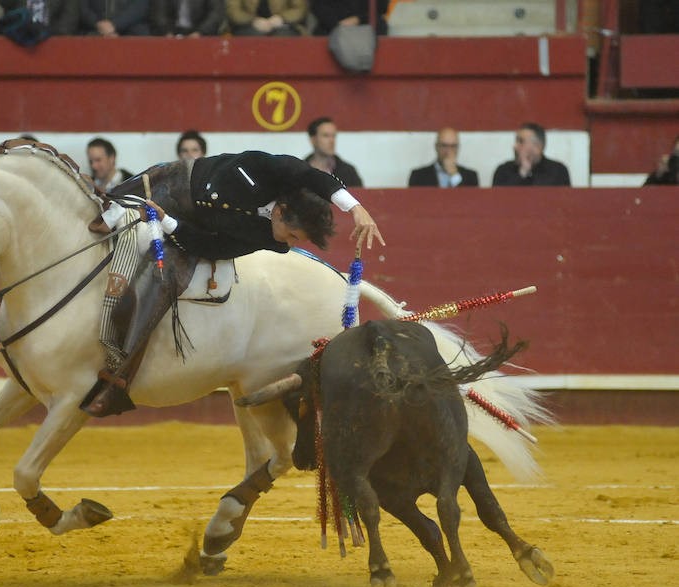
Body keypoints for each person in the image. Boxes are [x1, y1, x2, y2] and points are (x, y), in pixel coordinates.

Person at [81, 150, 384, 417]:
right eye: (292, 236)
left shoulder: (270, 237)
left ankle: (117, 375)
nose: (290, 246)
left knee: (163, 282)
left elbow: (213, 248)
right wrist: (354, 207)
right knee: (97, 219)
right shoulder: (265, 169)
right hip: (172, 184)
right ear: (280, 212)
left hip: (184, 225)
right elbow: (306, 174)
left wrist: (168, 222)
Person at [492, 123, 571, 187]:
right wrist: (521, 173)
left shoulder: (558, 171)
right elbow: (499, 200)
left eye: (521, 141)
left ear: (538, 147)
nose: (515, 146)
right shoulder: (503, 171)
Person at [408, 128, 479, 188]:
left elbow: (470, 200)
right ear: (436, 147)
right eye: (444, 146)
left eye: (453, 146)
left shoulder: (471, 177)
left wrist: (454, 174)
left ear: (458, 148)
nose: (448, 151)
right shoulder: (418, 176)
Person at [304, 117, 363, 187]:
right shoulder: (300, 171)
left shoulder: (349, 172)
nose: (332, 141)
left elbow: (359, 196)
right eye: (326, 136)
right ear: (313, 140)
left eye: (334, 136)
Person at [226, 0, 307, 36]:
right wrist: (253, 20)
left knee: (283, 39)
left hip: (284, 25)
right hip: (248, 26)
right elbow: (233, 11)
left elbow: (299, 9)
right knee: (253, 38)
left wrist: (281, 18)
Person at [310, 0, 389, 36]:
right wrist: (338, 25)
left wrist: (359, 19)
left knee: (379, 26)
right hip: (332, 28)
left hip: (365, 26)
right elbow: (317, 6)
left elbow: (381, 7)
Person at [151, 0, 224, 37]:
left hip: (200, 33)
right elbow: (159, 14)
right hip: (170, 33)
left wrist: (200, 33)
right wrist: (167, 33)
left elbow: (216, 14)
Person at [77, 0, 151, 36]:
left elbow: (140, 7)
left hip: (131, 29)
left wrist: (114, 24)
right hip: (94, 29)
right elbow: (82, 7)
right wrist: (98, 24)